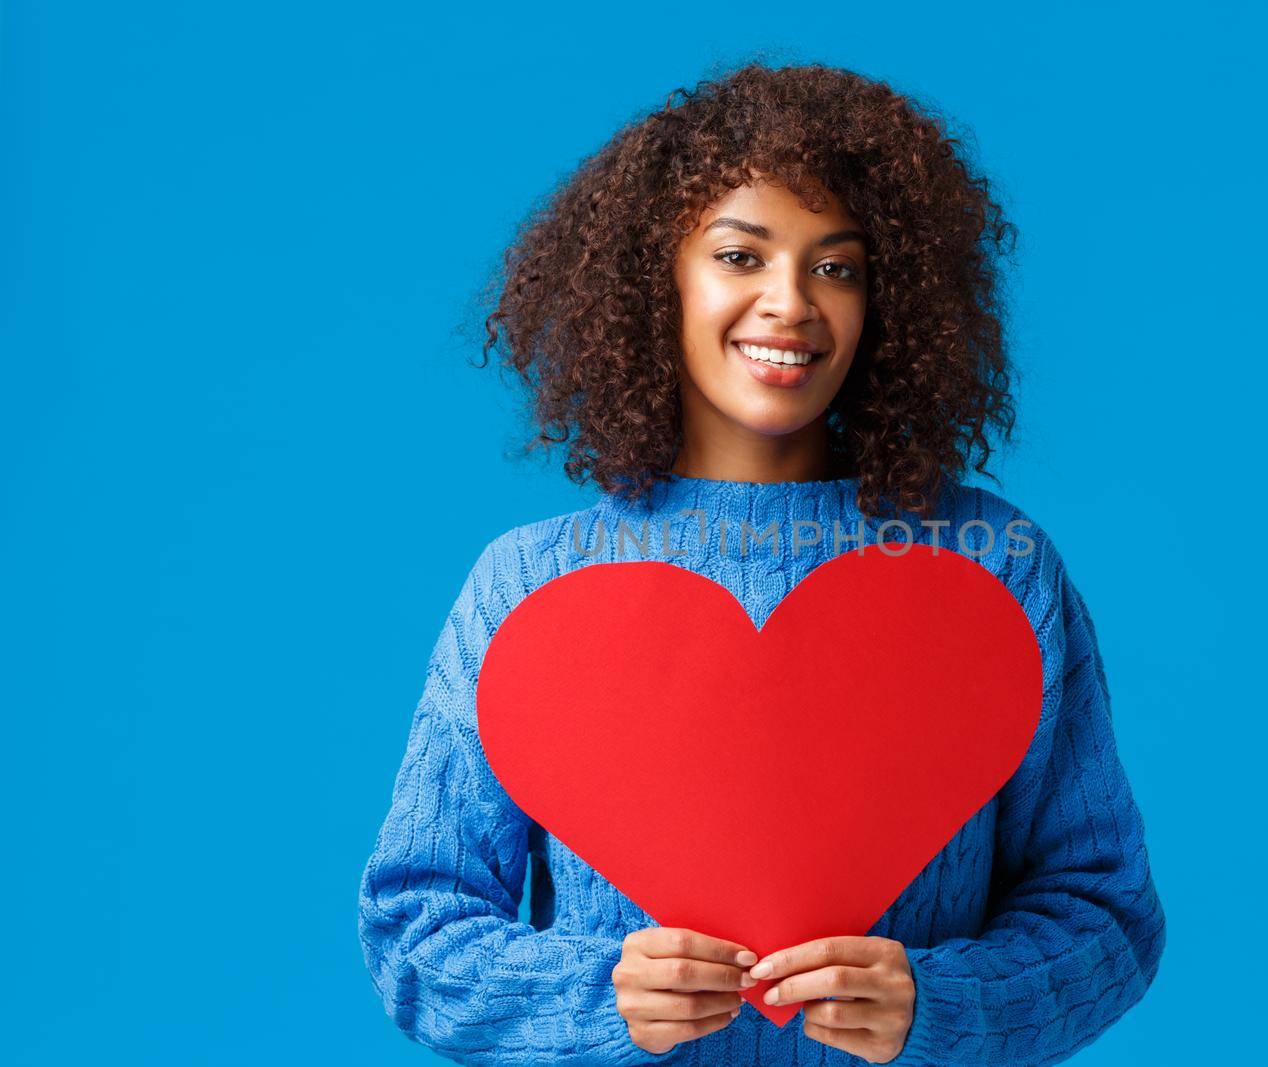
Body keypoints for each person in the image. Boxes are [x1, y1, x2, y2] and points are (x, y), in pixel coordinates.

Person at [357, 60, 1165, 1065]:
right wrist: (596, 995)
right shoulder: (527, 584)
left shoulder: (996, 568)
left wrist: (938, 1000)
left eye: (836, 266)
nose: (789, 303)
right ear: (659, 276)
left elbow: (1103, 914)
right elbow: (417, 925)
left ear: (888, 301)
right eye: (740, 256)